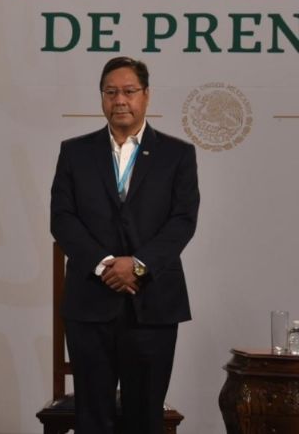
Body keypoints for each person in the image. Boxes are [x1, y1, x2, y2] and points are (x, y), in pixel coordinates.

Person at [50, 56, 200, 433]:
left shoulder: (177, 154)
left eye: (129, 91)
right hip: (89, 303)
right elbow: (62, 219)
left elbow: (182, 221)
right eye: (111, 91)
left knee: (144, 416)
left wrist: (137, 265)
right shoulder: (75, 152)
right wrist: (104, 264)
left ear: (146, 96)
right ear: (101, 98)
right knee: (93, 417)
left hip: (153, 305)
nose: (120, 100)